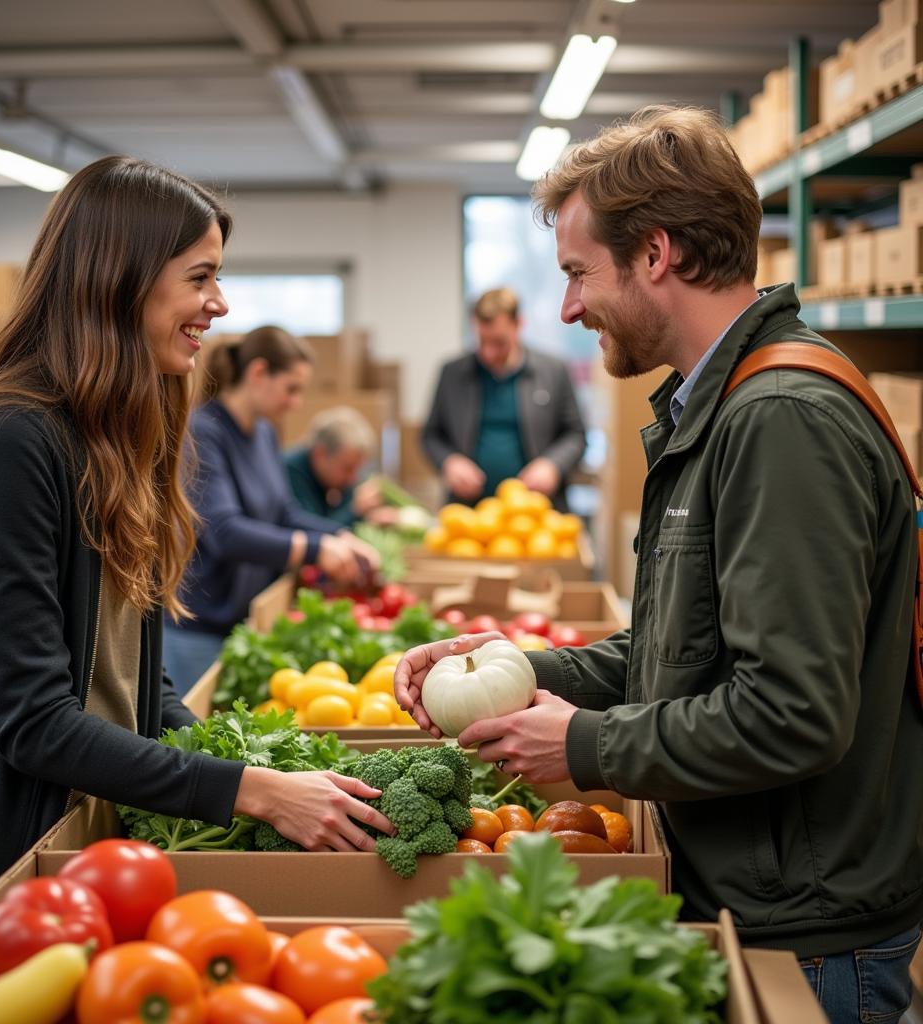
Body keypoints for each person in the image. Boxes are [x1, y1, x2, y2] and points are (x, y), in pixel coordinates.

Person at [396, 107, 923, 1024]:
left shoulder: (780, 419)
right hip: (758, 901)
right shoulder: (720, 410)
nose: (566, 309)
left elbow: (793, 713)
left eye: (575, 274)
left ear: (657, 254)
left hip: (811, 938)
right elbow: (688, 649)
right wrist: (512, 671)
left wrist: (585, 748)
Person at [0, 157, 391, 961]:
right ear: (121, 281)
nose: (219, 305)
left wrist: (232, 758)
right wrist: (251, 791)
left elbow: (134, 674)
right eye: (201, 277)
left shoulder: (121, 439)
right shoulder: (11, 443)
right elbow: (33, 723)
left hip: (85, 843)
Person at [162, 328, 380, 695]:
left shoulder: (263, 433)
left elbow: (284, 513)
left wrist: (339, 536)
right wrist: (315, 550)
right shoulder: (204, 431)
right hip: (200, 626)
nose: (296, 403)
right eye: (291, 388)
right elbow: (224, 532)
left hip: (245, 621)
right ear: (258, 372)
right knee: (190, 735)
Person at [421, 286, 586, 511]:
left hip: (537, 512)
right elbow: (431, 435)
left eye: (499, 342)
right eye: (482, 341)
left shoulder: (553, 372)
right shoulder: (452, 373)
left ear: (519, 325)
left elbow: (575, 434)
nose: (489, 353)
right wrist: (449, 462)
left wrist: (552, 465)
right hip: (468, 512)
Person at [284, 406, 395, 528]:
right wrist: (355, 511)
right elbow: (313, 533)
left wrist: (370, 515)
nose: (352, 478)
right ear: (320, 454)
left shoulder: (331, 477)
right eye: (348, 469)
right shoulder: (289, 473)